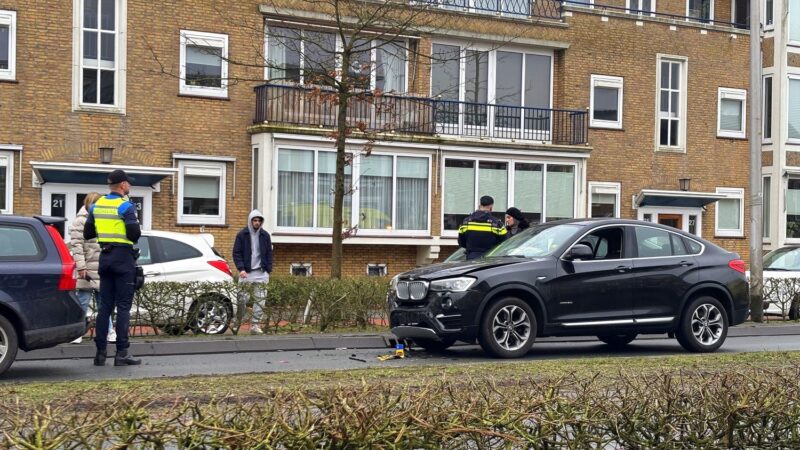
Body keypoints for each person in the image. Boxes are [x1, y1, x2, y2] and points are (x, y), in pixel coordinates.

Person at [84, 169, 142, 366]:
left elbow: (88, 232)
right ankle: (122, 353)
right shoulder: (126, 206)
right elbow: (134, 235)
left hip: (105, 258)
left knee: (105, 307)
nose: (130, 186)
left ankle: (100, 354)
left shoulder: (96, 206)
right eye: (128, 183)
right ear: (122, 185)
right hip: (123, 258)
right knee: (124, 307)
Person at [68, 192, 116, 344]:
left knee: (104, 303)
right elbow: (77, 246)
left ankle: (109, 331)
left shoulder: (102, 219)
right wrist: (81, 267)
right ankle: (78, 332)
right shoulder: (79, 221)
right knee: (83, 300)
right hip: (88, 268)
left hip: (102, 267)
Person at [232, 210, 273, 335]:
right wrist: (241, 269)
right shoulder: (242, 235)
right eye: (255, 220)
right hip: (246, 272)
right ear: (250, 221)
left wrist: (268, 270)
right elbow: (236, 253)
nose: (257, 223)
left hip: (261, 272)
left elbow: (269, 253)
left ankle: (255, 325)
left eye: (259, 221)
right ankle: (237, 322)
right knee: (242, 299)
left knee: (260, 300)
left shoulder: (265, 235)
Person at [458, 195, 508, 260]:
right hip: (490, 259)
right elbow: (504, 243)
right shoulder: (497, 224)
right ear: (491, 207)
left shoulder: (466, 222)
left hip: (471, 258)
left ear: (479, 205)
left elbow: (461, 242)